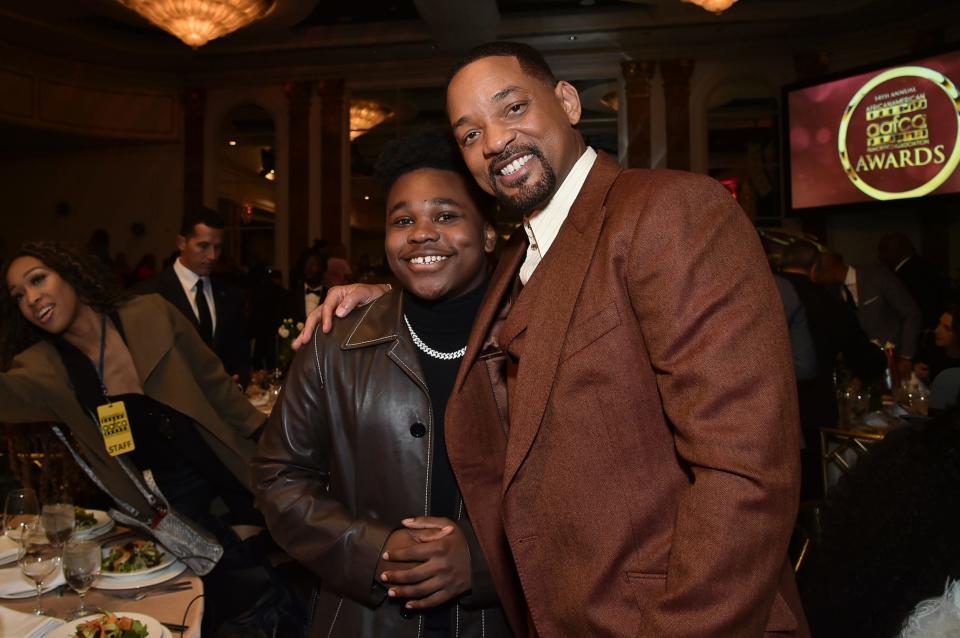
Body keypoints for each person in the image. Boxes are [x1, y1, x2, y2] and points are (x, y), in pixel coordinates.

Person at [302, 42, 808, 636]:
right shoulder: (523, 253)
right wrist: (383, 298)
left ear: (567, 101)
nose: (494, 143)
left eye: (512, 109)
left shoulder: (666, 209)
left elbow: (744, 473)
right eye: (469, 135)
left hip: (670, 617)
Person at [252, 130, 511, 638]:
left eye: (446, 215)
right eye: (403, 220)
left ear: (487, 233)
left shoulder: (538, 338)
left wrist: (484, 561)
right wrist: (375, 549)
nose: (421, 233)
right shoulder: (334, 344)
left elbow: (585, 495)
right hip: (364, 620)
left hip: (500, 621)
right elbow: (277, 479)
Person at [778, 240, 886, 499]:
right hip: (816, 410)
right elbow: (864, 358)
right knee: (813, 491)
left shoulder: (764, 296)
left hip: (774, 412)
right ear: (815, 268)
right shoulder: (831, 305)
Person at [134, 207, 250, 382]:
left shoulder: (231, 296)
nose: (212, 256)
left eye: (217, 248)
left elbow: (241, 354)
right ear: (181, 243)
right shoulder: (149, 294)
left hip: (224, 403)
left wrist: (238, 382)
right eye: (203, 246)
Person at [816, 251, 922, 381]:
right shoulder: (831, 292)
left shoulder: (878, 276)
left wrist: (906, 357)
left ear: (828, 269)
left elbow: (910, 313)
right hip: (863, 365)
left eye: (818, 273)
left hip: (894, 356)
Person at [878, 233, 948, 331]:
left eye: (884, 249)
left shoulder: (901, 276)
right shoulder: (926, 266)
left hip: (917, 329)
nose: (880, 255)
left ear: (900, 249)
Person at [914, 306, 960, 385]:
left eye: (946, 328)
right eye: (939, 324)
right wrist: (918, 371)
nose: (937, 330)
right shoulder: (931, 344)